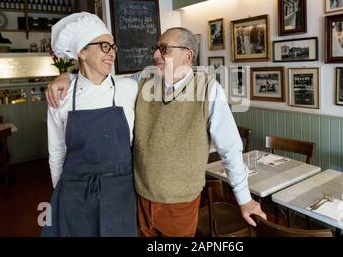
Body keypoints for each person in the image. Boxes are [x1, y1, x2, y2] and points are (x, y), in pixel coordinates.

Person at [46, 27, 266, 237]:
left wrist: (244, 199)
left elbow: (230, 149)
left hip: (180, 202)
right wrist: (68, 77)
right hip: (138, 197)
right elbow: (101, 82)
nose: (155, 54)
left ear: (187, 56)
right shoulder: (142, 80)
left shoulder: (208, 90)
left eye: (164, 49)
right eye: (156, 47)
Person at [42, 12, 138, 237]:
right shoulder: (60, 97)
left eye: (113, 46)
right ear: (82, 52)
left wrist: (66, 74)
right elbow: (56, 152)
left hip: (120, 193)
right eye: (105, 46)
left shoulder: (129, 88)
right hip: (75, 194)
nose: (112, 53)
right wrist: (62, 193)